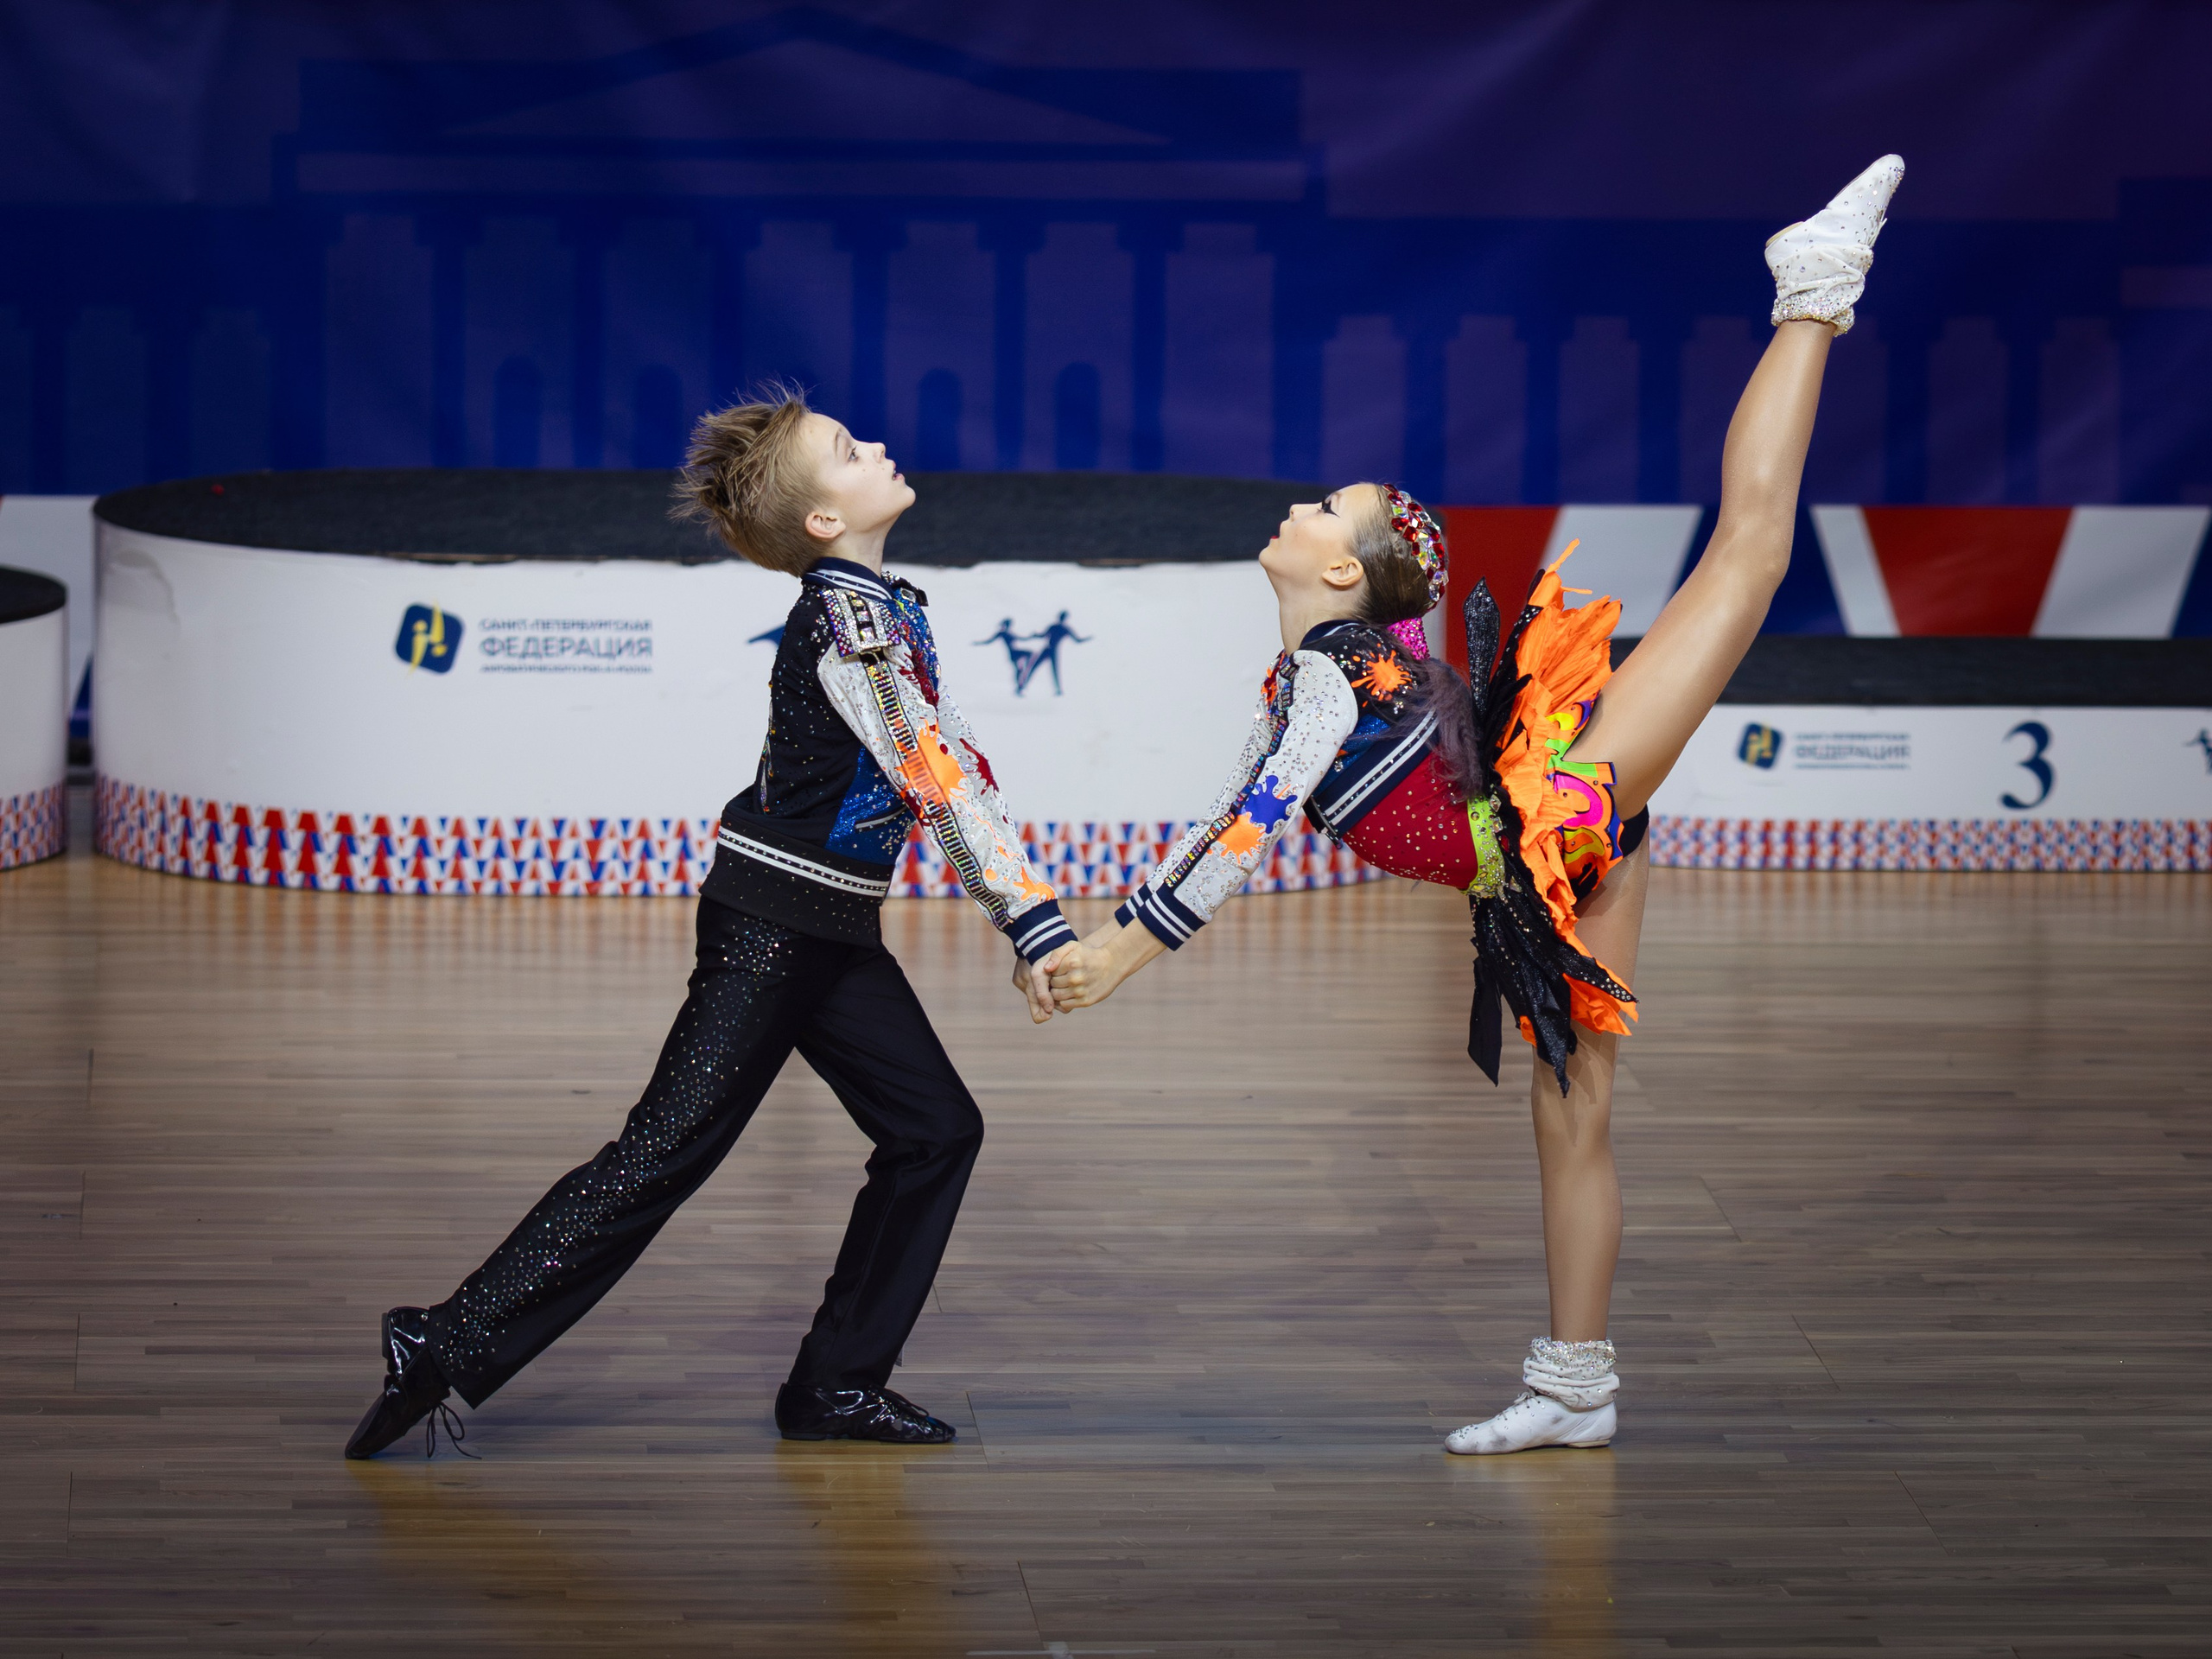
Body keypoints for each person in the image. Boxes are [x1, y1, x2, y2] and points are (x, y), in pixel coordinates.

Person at [1039, 157, 1905, 1454]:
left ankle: (1812, 294)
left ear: (1342, 567)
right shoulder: (1310, 678)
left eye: (1321, 504)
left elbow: (1246, 826)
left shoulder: (1330, 676)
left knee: (1749, 550)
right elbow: (1239, 800)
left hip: (1567, 799)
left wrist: (1123, 946)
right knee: (1574, 1116)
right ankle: (1575, 1385)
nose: (1293, 502)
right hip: (1547, 866)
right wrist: (1121, 928)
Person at [346, 389, 1079, 1459]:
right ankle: (444, 1338)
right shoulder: (849, 617)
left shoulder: (881, 604)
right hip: (773, 930)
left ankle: (834, 1386)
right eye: (846, 446)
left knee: (933, 1132)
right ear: (822, 520)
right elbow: (934, 776)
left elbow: (952, 757)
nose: (874, 443)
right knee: (663, 1153)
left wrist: (1026, 913)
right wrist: (1036, 923)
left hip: (825, 929)